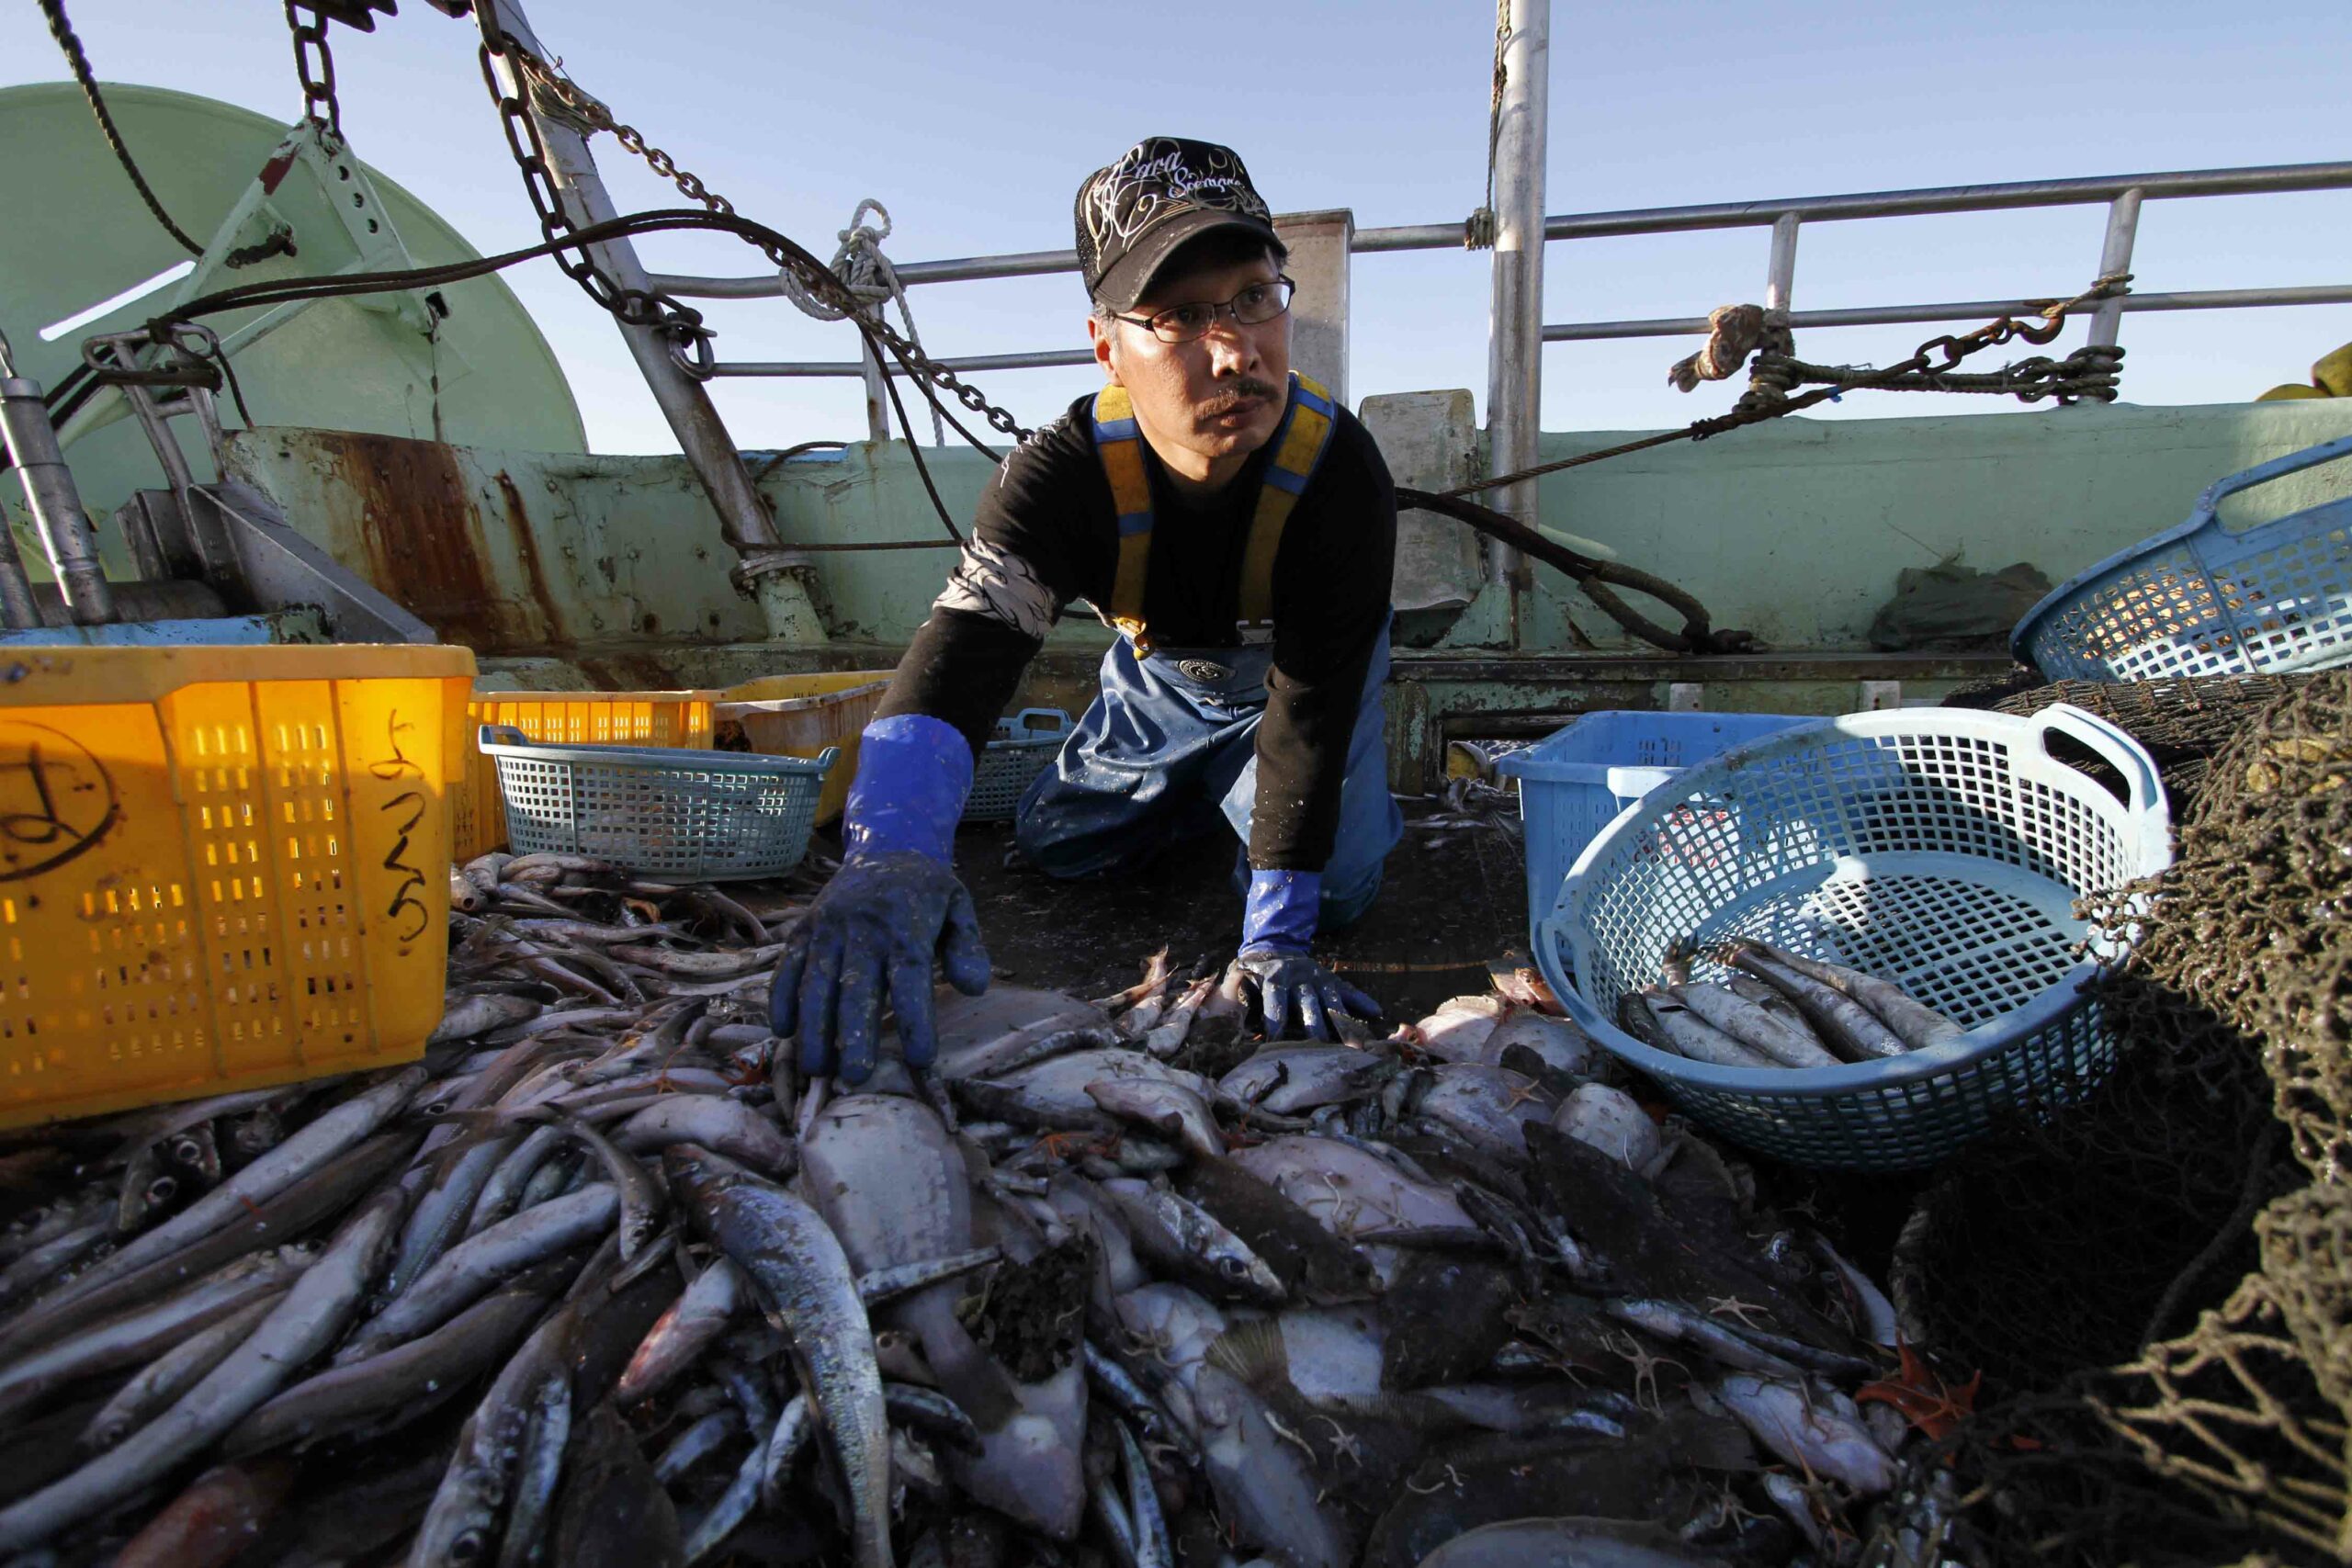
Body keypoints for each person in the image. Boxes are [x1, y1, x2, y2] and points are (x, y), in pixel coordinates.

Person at [774, 135, 1403, 1083]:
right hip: (1158, 690)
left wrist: (1274, 936)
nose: (1234, 351)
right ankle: (1196, 797)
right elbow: (966, 645)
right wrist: (890, 849)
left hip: (1299, 690)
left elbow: (1310, 710)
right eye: (1182, 317)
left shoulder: (1340, 474)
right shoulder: (1060, 474)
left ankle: (1240, 815)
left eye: (1252, 298)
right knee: (1056, 848)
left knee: (1337, 890)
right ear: (1107, 345)